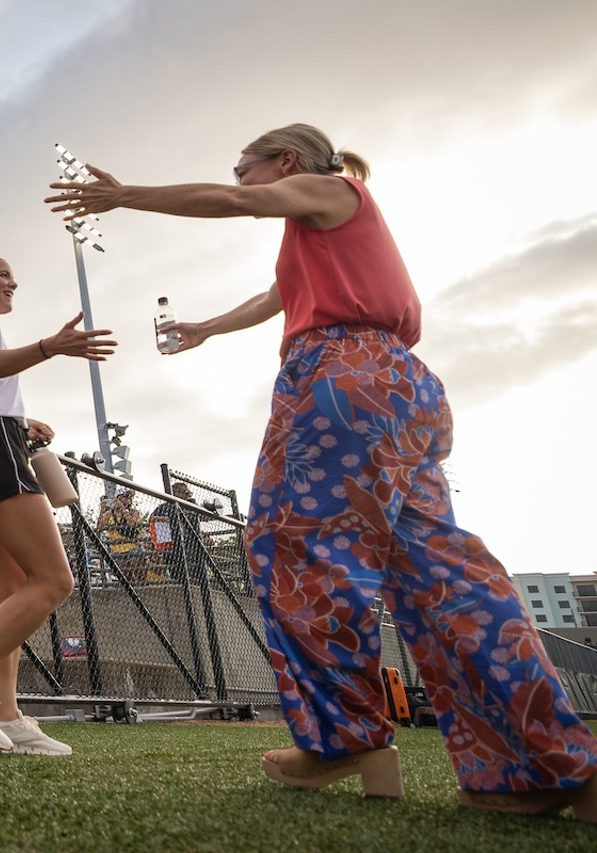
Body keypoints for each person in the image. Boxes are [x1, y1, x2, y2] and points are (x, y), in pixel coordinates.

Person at [45, 124, 597, 816]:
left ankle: (344, 736)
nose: (241, 177)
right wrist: (208, 327)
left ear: (283, 160)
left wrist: (125, 195)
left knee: (292, 548)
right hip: (399, 389)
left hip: (340, 380)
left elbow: (235, 202)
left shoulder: (330, 190)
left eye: (245, 165)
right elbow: (277, 295)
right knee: (438, 574)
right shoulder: (324, 232)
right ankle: (543, 766)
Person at [0, 255, 116, 756]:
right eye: (3, 275)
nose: (13, 283)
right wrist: (51, 346)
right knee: (55, 580)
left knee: (11, 586)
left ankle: (6, 716)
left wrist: (19, 421)